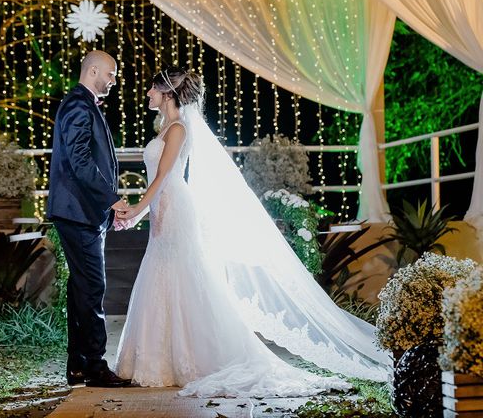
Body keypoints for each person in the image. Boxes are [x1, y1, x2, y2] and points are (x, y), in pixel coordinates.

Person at [113, 67, 390, 397]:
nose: (148, 93)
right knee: (164, 274)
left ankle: (191, 356)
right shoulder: (166, 128)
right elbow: (157, 183)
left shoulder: (177, 130)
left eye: (152, 89)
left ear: (168, 93)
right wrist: (141, 214)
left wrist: (136, 211)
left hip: (173, 206)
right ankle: (160, 357)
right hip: (163, 206)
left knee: (179, 273)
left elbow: (162, 178)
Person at [47, 50, 131, 388]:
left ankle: (79, 365)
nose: (113, 80)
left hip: (83, 212)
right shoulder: (78, 105)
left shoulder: (82, 104)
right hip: (78, 212)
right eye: (110, 74)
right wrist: (111, 200)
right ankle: (95, 366)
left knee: (82, 287)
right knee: (93, 285)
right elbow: (80, 162)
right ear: (93, 70)